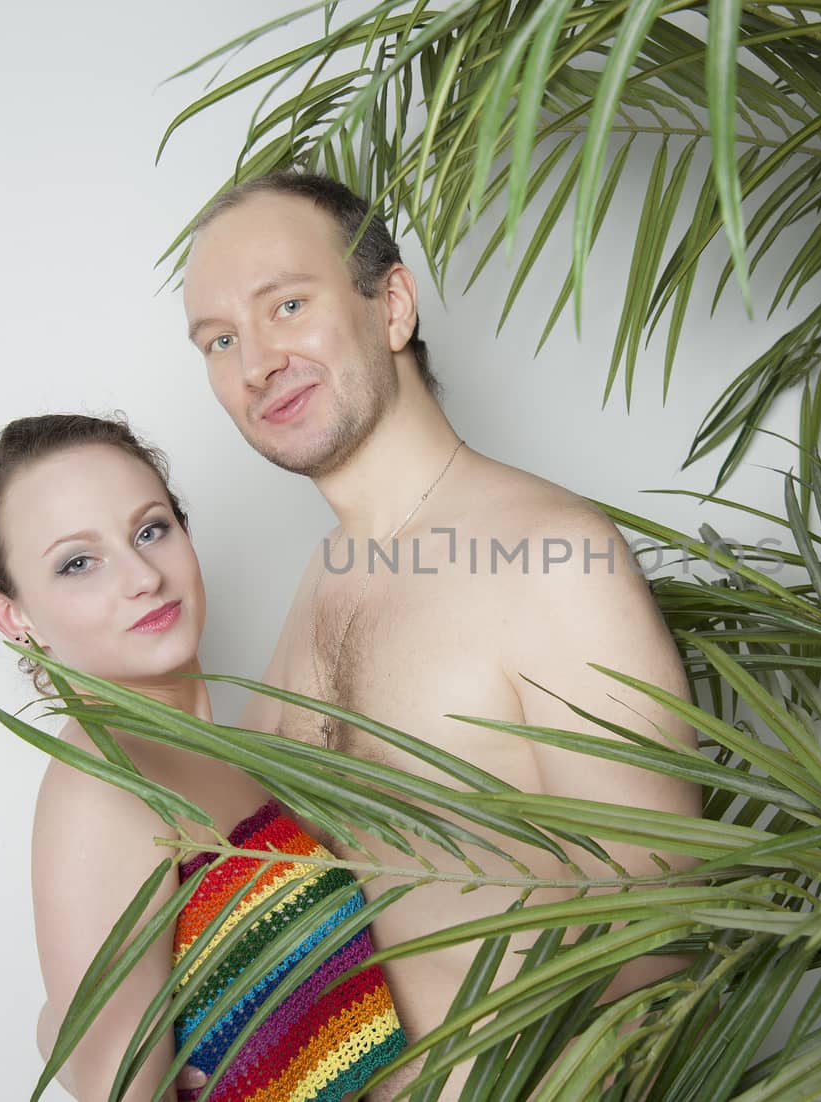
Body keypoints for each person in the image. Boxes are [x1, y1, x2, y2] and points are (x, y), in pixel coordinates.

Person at [181, 173, 702, 1095]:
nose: (254, 361)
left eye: (287, 305)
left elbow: (655, 947)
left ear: (392, 305)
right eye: (220, 340)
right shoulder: (321, 581)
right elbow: (242, 866)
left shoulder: (552, 557)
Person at [0, 413, 406, 1102]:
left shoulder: (230, 753)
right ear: (13, 617)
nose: (142, 576)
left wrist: (57, 1028)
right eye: (78, 562)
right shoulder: (102, 787)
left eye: (151, 529)